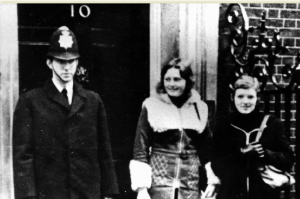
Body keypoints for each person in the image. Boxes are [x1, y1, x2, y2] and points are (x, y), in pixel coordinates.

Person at [13, 26, 119, 199]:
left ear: (77, 62)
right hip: (48, 193)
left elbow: (104, 151)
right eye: (61, 61)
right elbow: (23, 156)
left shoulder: (93, 101)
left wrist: (108, 192)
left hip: (87, 192)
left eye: (71, 61)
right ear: (49, 63)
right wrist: (27, 196)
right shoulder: (30, 101)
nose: (67, 67)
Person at [129, 58, 220, 199]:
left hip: (190, 185)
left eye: (177, 79)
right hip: (159, 185)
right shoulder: (152, 106)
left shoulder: (199, 108)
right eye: (167, 79)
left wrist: (211, 180)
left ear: (187, 81)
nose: (171, 84)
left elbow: (207, 150)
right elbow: (140, 149)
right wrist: (142, 189)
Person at [211, 75, 294, 199]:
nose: (245, 102)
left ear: (257, 98)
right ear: (232, 97)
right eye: (240, 96)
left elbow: (288, 160)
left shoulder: (271, 123)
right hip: (231, 194)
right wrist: (242, 152)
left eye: (250, 97)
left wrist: (264, 153)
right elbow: (216, 164)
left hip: (264, 194)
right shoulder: (224, 125)